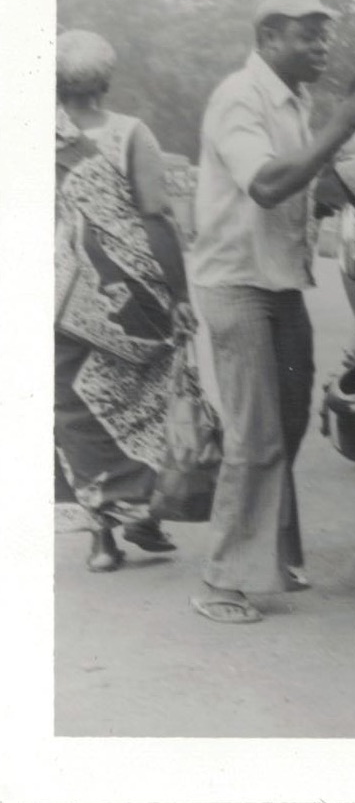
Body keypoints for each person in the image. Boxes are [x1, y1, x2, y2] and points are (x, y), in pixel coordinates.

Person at [189, 0, 355, 623]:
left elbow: (313, 183)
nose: (322, 45)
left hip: (278, 282)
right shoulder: (239, 97)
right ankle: (223, 581)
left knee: (283, 425)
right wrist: (343, 122)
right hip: (237, 283)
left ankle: (268, 561)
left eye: (325, 33)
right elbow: (267, 183)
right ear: (267, 38)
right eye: (308, 34)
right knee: (255, 434)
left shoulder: (296, 101)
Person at [54, 30, 193, 571]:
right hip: (132, 295)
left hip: (62, 297)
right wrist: (180, 294)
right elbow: (156, 216)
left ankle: (103, 537)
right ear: (107, 81)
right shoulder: (132, 133)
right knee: (144, 402)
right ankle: (144, 512)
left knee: (77, 409)